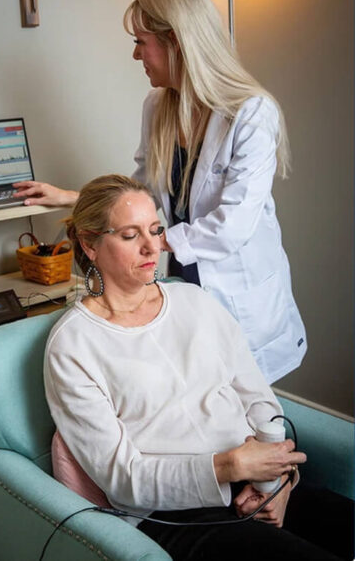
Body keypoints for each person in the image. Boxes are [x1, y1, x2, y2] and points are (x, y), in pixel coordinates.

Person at [43, 174, 353, 561]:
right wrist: (227, 467)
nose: (151, 247)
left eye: (155, 230)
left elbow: (259, 399)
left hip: (255, 483)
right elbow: (123, 479)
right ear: (90, 244)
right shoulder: (73, 345)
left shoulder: (194, 301)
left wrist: (277, 482)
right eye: (130, 235)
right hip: (177, 515)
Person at [15, 0, 306, 384]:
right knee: (199, 387)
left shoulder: (251, 113)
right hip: (186, 280)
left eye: (141, 41)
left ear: (176, 42)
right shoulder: (158, 107)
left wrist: (140, 242)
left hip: (242, 291)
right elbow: (145, 194)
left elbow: (234, 225)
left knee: (246, 396)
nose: (136, 54)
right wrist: (70, 198)